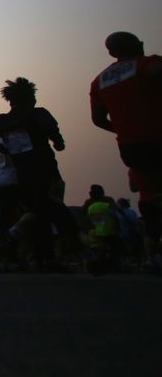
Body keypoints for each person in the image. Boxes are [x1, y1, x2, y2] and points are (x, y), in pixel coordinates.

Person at [0, 77, 78, 270]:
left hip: (23, 174)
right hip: (46, 170)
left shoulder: (4, 121)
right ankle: (77, 249)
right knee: (57, 212)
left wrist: (5, 150)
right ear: (30, 97)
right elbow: (55, 137)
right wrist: (57, 142)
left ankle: (44, 256)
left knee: (39, 213)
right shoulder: (38, 114)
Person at [90, 32, 162, 263]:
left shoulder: (100, 81)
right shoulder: (148, 64)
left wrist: (123, 130)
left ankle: (153, 250)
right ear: (138, 44)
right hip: (157, 138)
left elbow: (98, 119)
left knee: (148, 193)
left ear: (111, 53)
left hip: (131, 148)